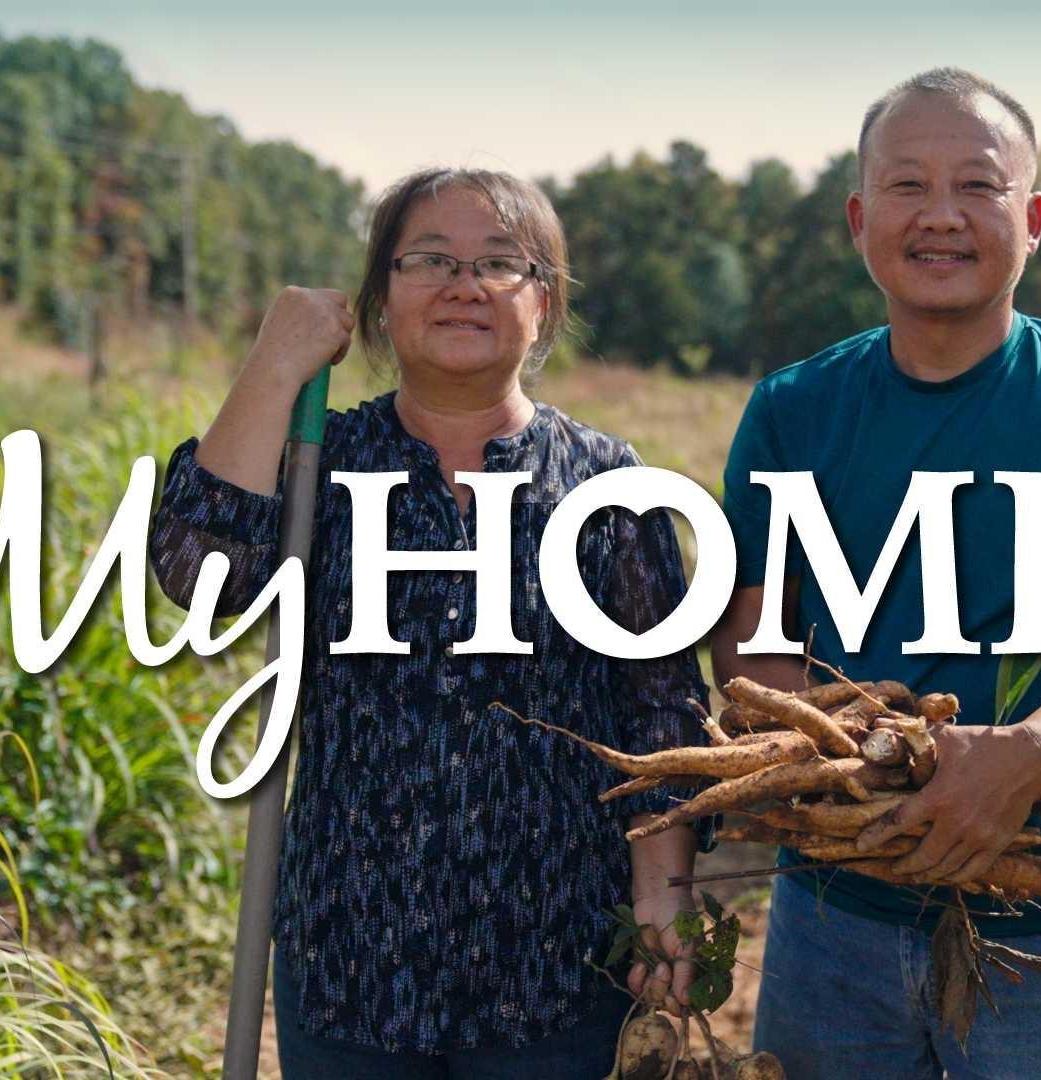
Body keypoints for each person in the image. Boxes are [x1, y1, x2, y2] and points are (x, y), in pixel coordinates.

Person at [148, 167, 709, 1076]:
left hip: (557, 965)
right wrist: (276, 362)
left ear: (545, 305)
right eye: (429, 260)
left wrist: (664, 896)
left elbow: (662, 713)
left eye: (500, 263)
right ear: (379, 301)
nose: (464, 284)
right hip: (350, 952)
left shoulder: (608, 484)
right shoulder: (324, 463)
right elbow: (199, 576)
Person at [709, 69, 1041, 1079]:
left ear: (1031, 220)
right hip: (833, 910)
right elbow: (756, 642)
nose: (941, 217)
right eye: (906, 187)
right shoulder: (793, 409)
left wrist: (1030, 754)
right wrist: (852, 765)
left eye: (976, 188)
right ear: (859, 219)